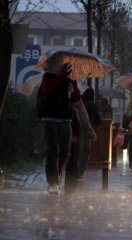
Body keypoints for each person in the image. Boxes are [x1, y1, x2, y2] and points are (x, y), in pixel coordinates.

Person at [37, 64, 73, 194]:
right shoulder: (48, 76)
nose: (64, 69)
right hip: (50, 118)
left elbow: (75, 99)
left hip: (65, 118)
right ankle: (52, 182)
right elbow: (48, 90)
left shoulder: (69, 79)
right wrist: (62, 78)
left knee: (65, 152)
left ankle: (56, 174)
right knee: (53, 150)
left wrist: (72, 88)